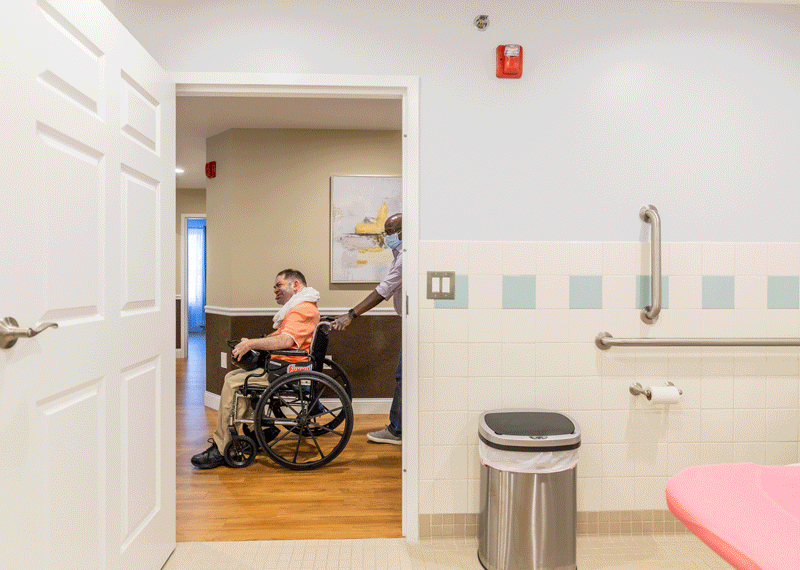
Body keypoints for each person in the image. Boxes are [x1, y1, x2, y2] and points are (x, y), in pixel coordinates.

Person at [191, 269, 320, 469]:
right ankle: (259, 428)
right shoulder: (300, 307)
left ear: (295, 285)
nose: (275, 290)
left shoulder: (302, 309)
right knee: (234, 375)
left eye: (279, 285)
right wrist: (253, 343)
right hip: (283, 366)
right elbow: (280, 335)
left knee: (233, 382)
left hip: (287, 371)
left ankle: (221, 445)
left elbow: (286, 339)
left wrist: (251, 344)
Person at [333, 212, 402, 445]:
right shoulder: (399, 254)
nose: (387, 236)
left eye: (391, 231)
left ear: (404, 232)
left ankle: (397, 430)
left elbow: (382, 291)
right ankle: (401, 426)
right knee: (405, 376)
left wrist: (351, 315)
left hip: (415, 324)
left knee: (404, 376)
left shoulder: (405, 258)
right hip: (408, 321)